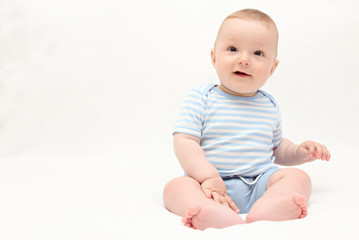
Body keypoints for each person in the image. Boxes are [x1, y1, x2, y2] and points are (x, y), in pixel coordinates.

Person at [163, 9, 331, 230]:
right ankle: (209, 209)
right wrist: (209, 177)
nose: (244, 60)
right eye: (233, 49)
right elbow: (184, 142)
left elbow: (277, 147)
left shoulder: (268, 105)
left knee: (298, 177)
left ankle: (269, 206)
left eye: (258, 53)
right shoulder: (202, 97)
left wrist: (300, 152)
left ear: (272, 67)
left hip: (258, 183)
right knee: (175, 188)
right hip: (207, 185)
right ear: (214, 57)